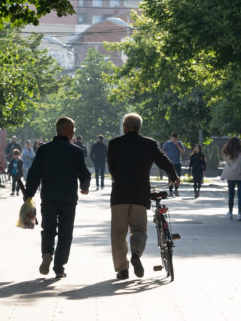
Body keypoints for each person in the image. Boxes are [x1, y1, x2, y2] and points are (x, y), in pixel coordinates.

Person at [107, 113, 179, 279]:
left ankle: (122, 269)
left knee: (118, 233)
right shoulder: (149, 144)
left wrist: (121, 178)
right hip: (140, 194)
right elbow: (164, 161)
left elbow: (112, 169)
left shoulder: (115, 143)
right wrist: (174, 177)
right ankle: (136, 254)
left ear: (125, 126)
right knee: (139, 229)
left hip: (120, 194)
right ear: (139, 127)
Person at [25, 117, 91, 279]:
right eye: (72, 129)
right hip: (68, 198)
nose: (74, 131)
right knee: (65, 232)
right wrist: (84, 186)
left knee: (48, 229)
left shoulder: (44, 149)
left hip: (48, 197)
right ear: (65, 130)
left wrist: (29, 194)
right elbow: (84, 172)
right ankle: (59, 266)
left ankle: (47, 253)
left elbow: (34, 173)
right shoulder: (75, 151)